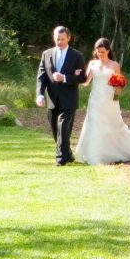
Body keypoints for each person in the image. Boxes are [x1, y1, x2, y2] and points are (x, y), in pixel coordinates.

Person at [76, 38, 130, 165]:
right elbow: (86, 82)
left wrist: (118, 90)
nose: (100, 54)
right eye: (98, 52)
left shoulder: (114, 65)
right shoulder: (93, 64)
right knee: (94, 124)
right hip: (95, 99)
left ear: (108, 51)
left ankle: (119, 151)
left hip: (109, 99)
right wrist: (78, 75)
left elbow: (118, 84)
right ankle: (95, 155)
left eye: (102, 52)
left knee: (112, 125)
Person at [35, 25, 86, 165]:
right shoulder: (46, 54)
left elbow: (82, 78)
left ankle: (60, 159)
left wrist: (65, 78)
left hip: (69, 100)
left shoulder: (77, 56)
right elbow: (41, 76)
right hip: (52, 99)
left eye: (62, 39)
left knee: (63, 129)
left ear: (69, 38)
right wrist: (40, 95)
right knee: (55, 131)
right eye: (57, 39)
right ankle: (68, 154)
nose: (60, 42)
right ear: (54, 38)